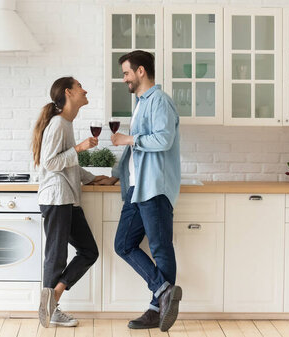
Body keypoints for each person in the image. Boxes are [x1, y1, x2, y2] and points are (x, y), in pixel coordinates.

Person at [110, 50, 182, 331]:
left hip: (154, 187)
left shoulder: (160, 101)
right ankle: (163, 290)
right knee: (123, 244)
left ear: (141, 71)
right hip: (136, 189)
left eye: (126, 72)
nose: (124, 78)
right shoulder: (140, 103)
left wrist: (129, 138)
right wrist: (116, 175)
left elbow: (164, 139)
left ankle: (156, 308)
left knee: (160, 248)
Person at [32, 76, 108, 328]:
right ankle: (51, 309)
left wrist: (92, 177)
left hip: (68, 198)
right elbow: (50, 163)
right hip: (56, 198)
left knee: (89, 251)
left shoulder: (65, 122)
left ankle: (52, 297)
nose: (85, 90)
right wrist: (80, 148)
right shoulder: (58, 124)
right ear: (68, 92)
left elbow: (67, 166)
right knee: (56, 255)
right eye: (80, 87)